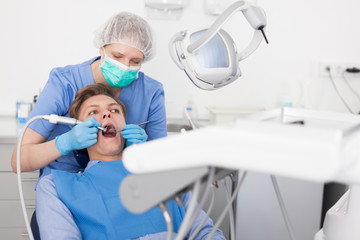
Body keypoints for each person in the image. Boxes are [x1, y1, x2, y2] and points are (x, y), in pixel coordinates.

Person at [36, 83, 225, 240]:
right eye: (93, 112)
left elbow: (207, 233)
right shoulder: (55, 186)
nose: (107, 115)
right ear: (78, 131)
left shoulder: (168, 177)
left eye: (114, 110)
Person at [11, 12, 167, 179]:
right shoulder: (64, 83)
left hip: (121, 187)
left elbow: (163, 166)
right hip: (62, 188)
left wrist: (141, 151)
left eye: (135, 61)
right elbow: (18, 161)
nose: (125, 66)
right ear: (102, 49)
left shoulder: (151, 92)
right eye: (117, 56)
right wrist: (65, 143)